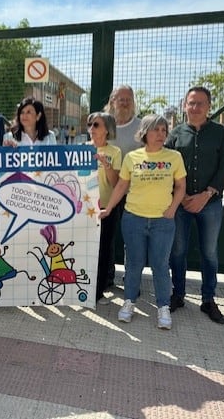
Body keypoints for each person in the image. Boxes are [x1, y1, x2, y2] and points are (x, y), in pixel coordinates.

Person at [99, 115, 186, 330]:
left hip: (162, 222)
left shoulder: (174, 157)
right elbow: (121, 186)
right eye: (156, 129)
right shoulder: (132, 157)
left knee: (160, 265)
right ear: (145, 132)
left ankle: (163, 307)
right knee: (134, 264)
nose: (160, 134)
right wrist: (109, 208)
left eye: (164, 130)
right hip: (133, 219)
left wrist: (173, 208)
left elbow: (181, 187)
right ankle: (129, 302)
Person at [166, 86, 224, 325]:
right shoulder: (174, 134)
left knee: (209, 253)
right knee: (177, 252)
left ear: (209, 106)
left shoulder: (221, 133)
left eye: (200, 103)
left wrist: (206, 195)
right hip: (180, 204)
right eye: (191, 103)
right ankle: (178, 294)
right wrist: (180, 197)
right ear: (185, 105)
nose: (195, 107)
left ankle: (208, 300)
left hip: (210, 203)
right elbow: (167, 169)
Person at [103, 85, 142, 286]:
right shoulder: (103, 124)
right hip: (106, 190)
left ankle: (131, 278)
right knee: (107, 236)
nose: (125, 103)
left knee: (132, 238)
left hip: (133, 192)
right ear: (112, 101)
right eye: (121, 99)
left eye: (128, 99)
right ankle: (107, 276)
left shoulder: (141, 126)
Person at [86, 112, 121, 305]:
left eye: (96, 125)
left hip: (106, 208)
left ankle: (98, 292)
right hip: (83, 209)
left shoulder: (115, 152)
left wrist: (106, 165)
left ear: (107, 129)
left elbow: (116, 183)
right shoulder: (81, 149)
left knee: (102, 250)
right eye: (90, 124)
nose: (92, 128)